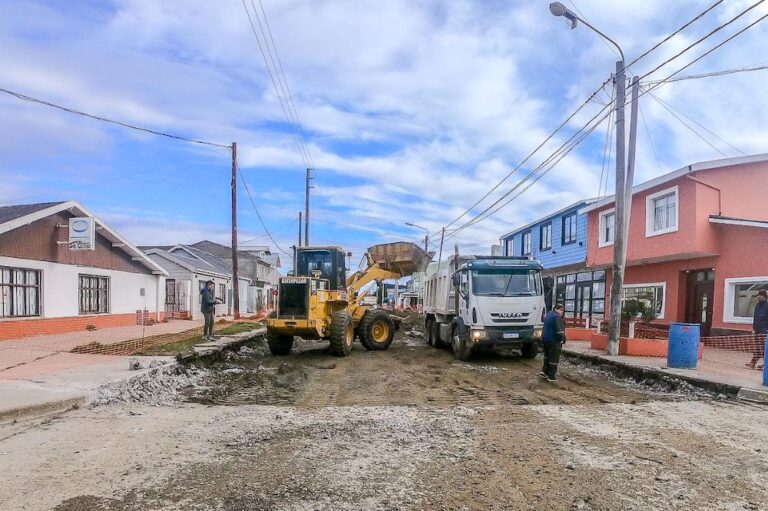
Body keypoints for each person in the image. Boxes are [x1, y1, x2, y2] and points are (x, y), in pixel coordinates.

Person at [541, 304, 567, 382]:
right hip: (553, 341)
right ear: (555, 309)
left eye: (563, 310)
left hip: (545, 340)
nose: (562, 312)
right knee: (554, 358)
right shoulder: (557, 317)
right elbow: (559, 331)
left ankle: (544, 372)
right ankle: (551, 375)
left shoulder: (548, 315)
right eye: (560, 310)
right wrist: (563, 339)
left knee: (547, 356)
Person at [746, 289, 768, 369]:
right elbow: (755, 318)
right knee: (758, 348)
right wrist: (754, 329)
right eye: (758, 296)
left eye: (760, 295)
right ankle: (752, 363)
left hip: (764, 330)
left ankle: (765, 364)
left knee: (763, 348)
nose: (758, 297)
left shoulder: (767, 306)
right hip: (757, 330)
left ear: (764, 296)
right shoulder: (757, 306)